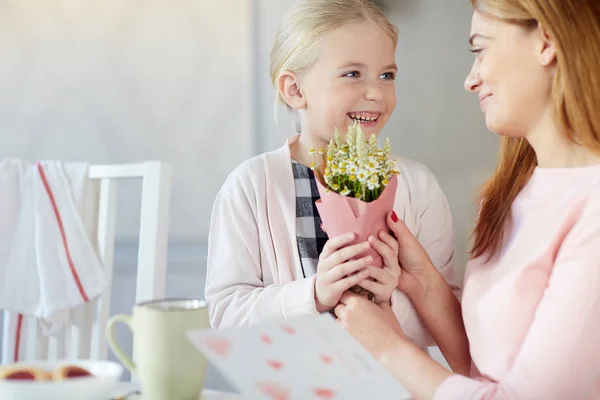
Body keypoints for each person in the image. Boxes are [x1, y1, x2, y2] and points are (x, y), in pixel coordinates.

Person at [335, 0, 600, 398]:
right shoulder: (521, 187)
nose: (471, 79)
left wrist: (390, 351)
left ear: (546, 40)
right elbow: (489, 370)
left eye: (480, 49)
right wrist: (424, 284)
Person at [204, 0, 461, 358]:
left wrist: (392, 298)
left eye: (387, 75)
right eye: (353, 74)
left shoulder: (416, 186)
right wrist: (314, 293)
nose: (376, 92)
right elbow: (225, 314)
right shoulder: (250, 186)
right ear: (295, 90)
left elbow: (448, 316)